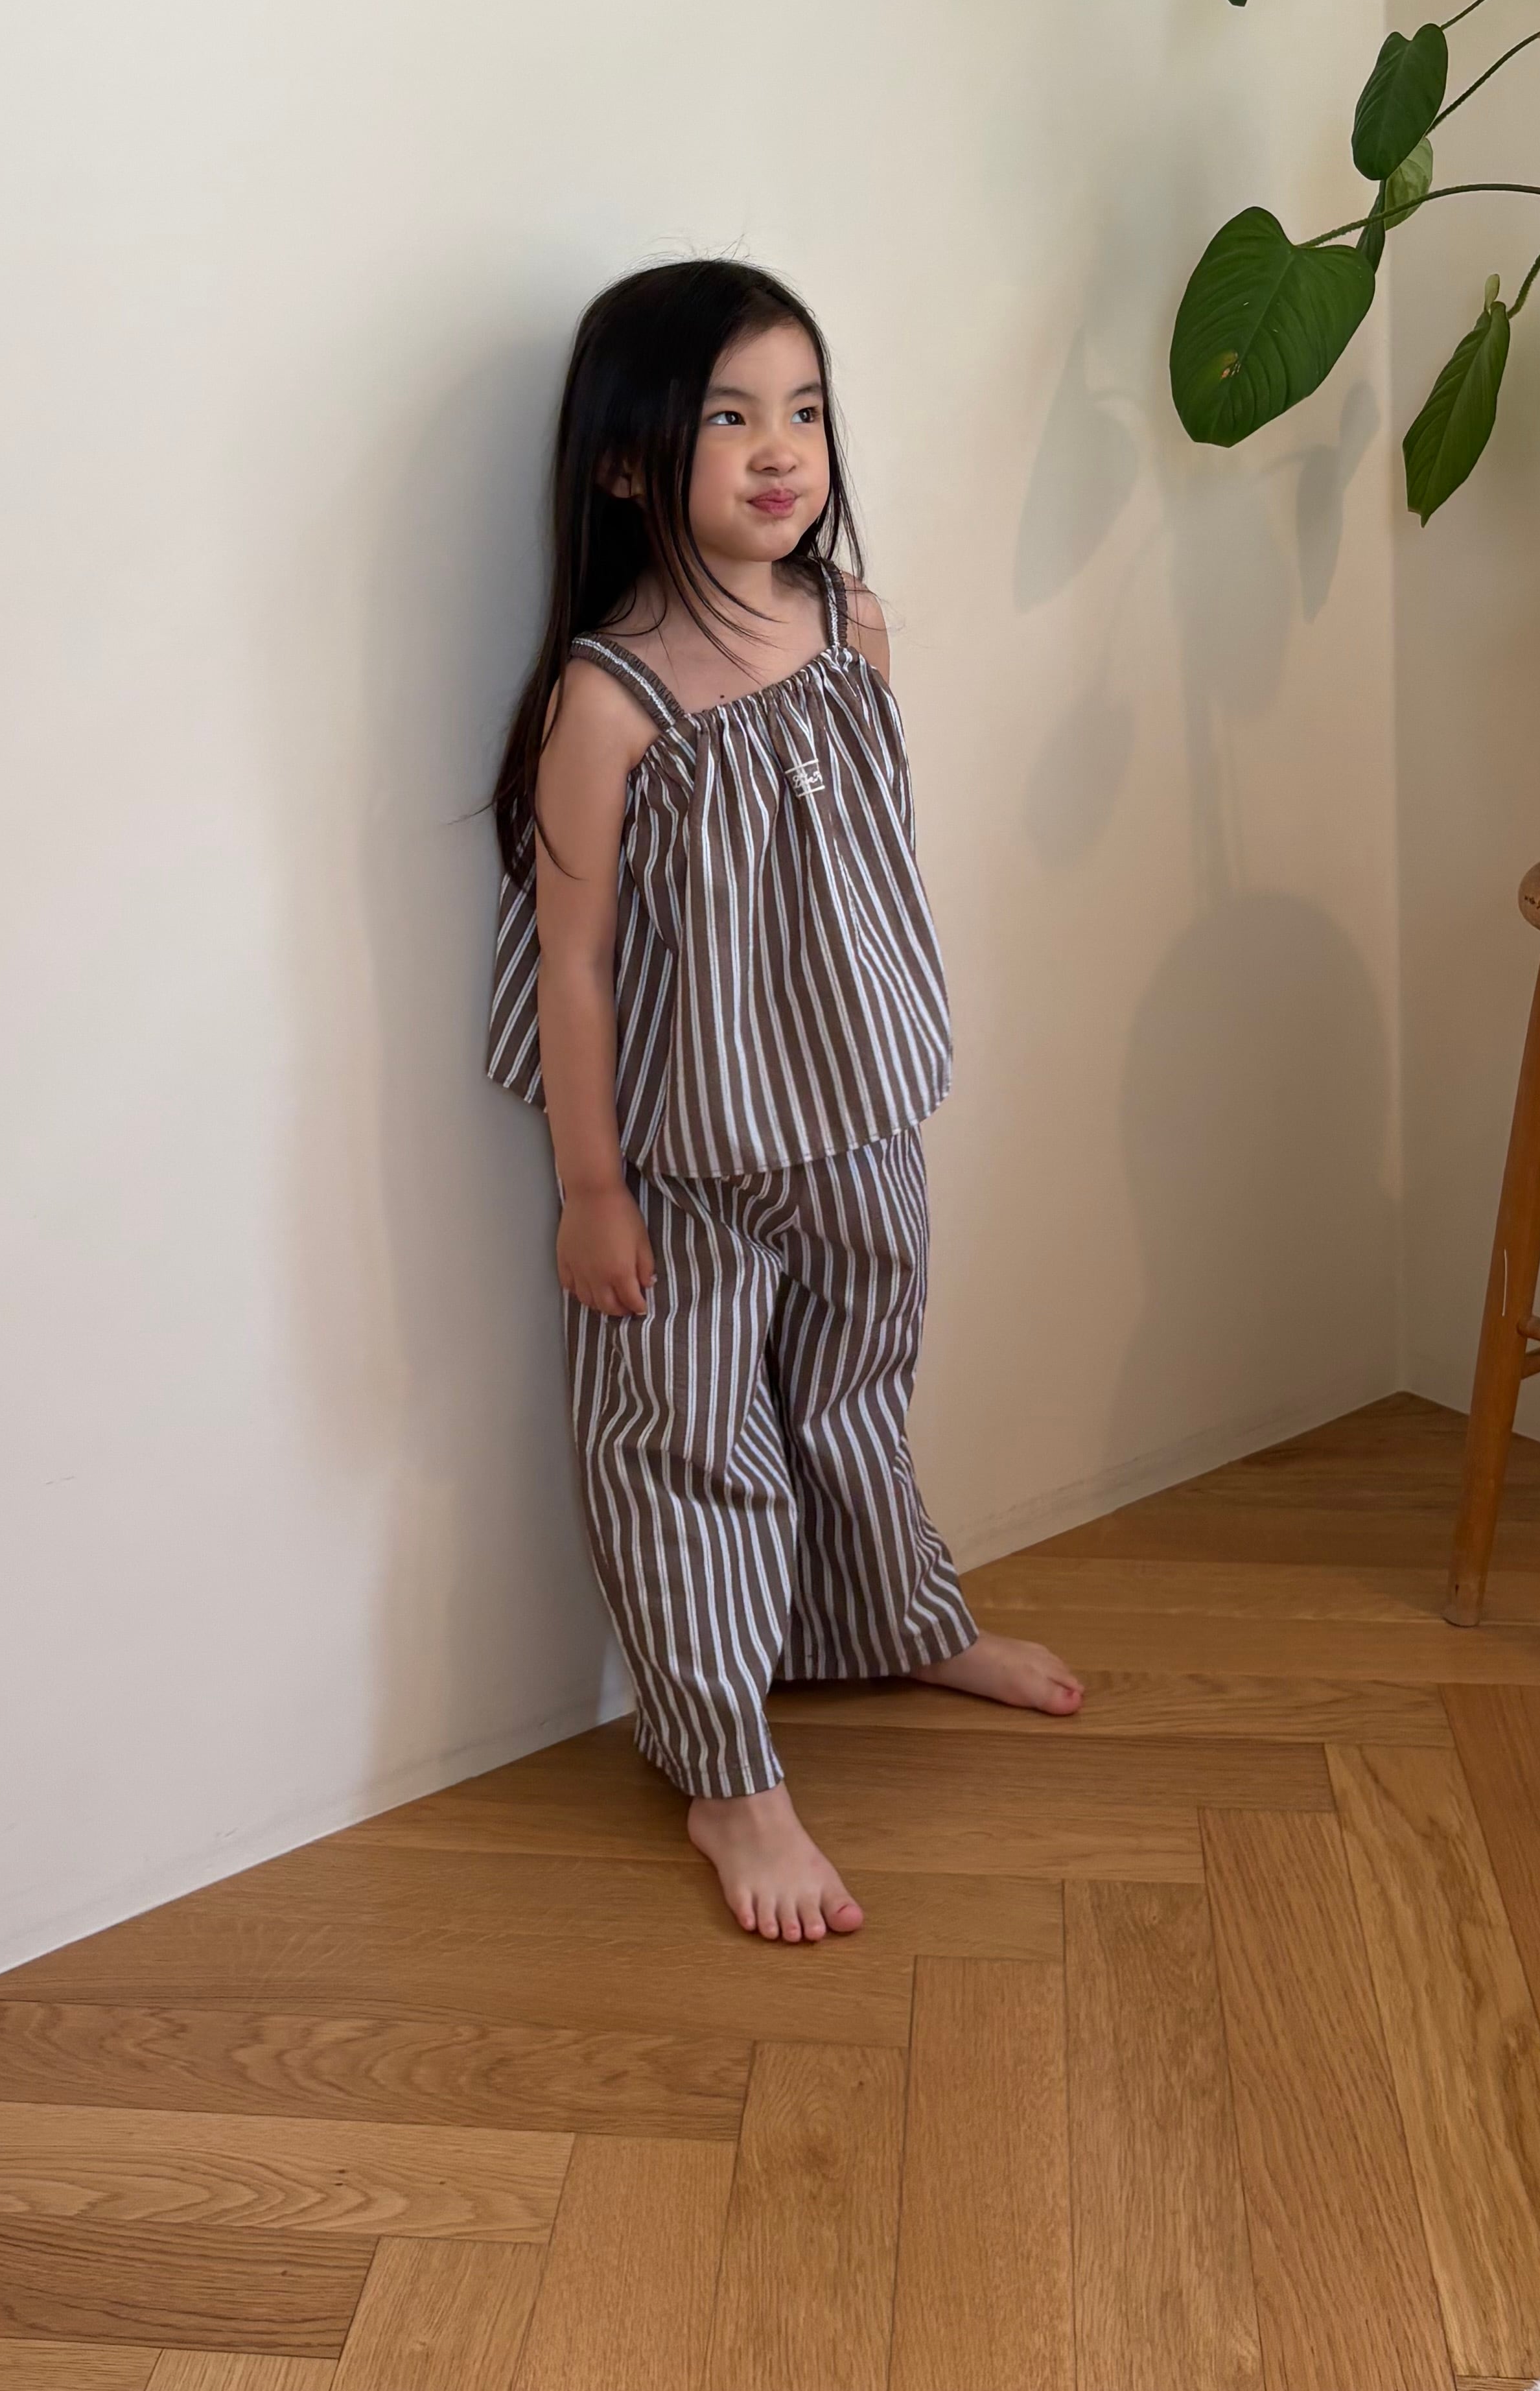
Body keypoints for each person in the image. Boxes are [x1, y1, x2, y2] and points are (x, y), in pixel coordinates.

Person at [487, 257, 1082, 1947]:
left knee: (854, 1392)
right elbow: (575, 964)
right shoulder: (609, 699)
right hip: (687, 1154)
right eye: (731, 417)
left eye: (804, 411)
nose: (780, 449)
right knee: (688, 1446)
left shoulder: (852, 627)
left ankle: (894, 1620)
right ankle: (726, 1772)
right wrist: (592, 1189)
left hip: (859, 1108)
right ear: (627, 462)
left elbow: (860, 866)